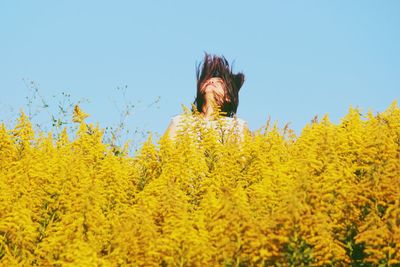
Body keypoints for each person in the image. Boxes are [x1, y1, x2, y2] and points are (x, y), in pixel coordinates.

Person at [165, 53, 249, 140]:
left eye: (219, 82)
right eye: (208, 80)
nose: (211, 82)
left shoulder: (237, 127)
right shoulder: (179, 123)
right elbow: (164, 152)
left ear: (228, 97)